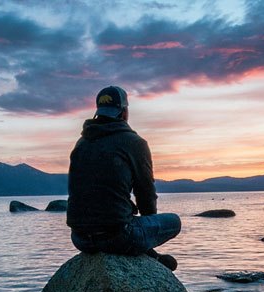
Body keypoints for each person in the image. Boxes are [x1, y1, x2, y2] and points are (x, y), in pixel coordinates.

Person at [66, 85, 180, 270]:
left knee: (123, 219)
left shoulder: (81, 143)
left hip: (79, 238)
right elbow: (145, 194)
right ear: (124, 112)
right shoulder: (134, 143)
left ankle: (150, 254)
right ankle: (150, 255)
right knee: (174, 221)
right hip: (117, 237)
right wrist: (147, 230)